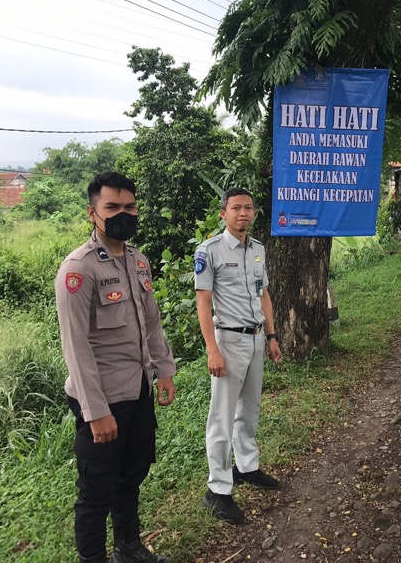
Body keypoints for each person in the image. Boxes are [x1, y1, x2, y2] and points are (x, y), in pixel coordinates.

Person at [55, 172, 177, 563]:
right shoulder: (79, 269)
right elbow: (76, 347)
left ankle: (129, 547)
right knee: (96, 491)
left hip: (137, 389)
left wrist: (165, 369)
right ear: (93, 213)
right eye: (112, 208)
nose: (123, 214)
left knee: (131, 477)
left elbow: (152, 322)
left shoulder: (139, 261)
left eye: (129, 207)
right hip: (102, 398)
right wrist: (97, 413)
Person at [194, 188, 282, 524]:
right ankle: (217, 489)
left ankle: (246, 466)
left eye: (248, 208)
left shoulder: (257, 249)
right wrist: (212, 349)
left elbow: (265, 296)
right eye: (235, 208)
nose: (242, 213)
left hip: (257, 339)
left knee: (250, 408)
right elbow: (203, 303)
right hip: (228, 341)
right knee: (222, 416)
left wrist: (272, 336)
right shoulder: (211, 250)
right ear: (223, 214)